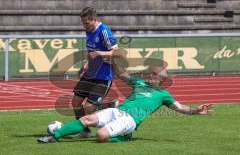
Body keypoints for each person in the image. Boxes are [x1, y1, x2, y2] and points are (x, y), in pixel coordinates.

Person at [38, 59, 213, 143]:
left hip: (130, 120)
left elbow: (181, 108)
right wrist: (112, 59)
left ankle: (125, 137)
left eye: (155, 75)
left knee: (101, 136)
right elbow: (121, 74)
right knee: (86, 120)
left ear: (161, 80)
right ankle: (55, 136)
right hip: (117, 111)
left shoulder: (163, 95)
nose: (151, 75)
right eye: (151, 73)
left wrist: (197, 110)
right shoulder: (139, 83)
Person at [71, 7, 123, 137]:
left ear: (94, 19)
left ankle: (111, 105)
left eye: (86, 23)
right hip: (90, 74)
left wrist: (100, 53)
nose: (84, 26)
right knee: (76, 102)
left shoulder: (104, 31)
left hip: (104, 75)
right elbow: (91, 52)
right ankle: (84, 131)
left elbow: (118, 53)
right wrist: (86, 64)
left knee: (89, 108)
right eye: (83, 23)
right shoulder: (89, 31)